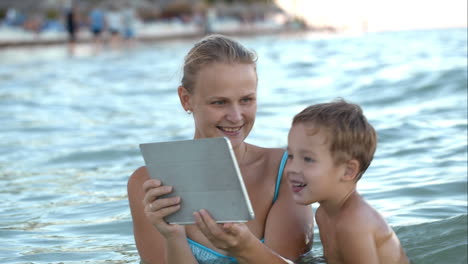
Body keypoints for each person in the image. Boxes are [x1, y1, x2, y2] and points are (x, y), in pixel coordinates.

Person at [127, 34, 314, 264]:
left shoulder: (287, 171)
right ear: (186, 99)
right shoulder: (150, 183)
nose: (236, 117)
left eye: (246, 100)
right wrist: (173, 237)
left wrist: (245, 247)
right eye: (219, 102)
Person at [284, 99, 410, 264]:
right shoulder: (323, 214)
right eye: (291, 156)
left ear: (348, 171)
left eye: (308, 159)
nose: (292, 168)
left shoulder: (354, 224)